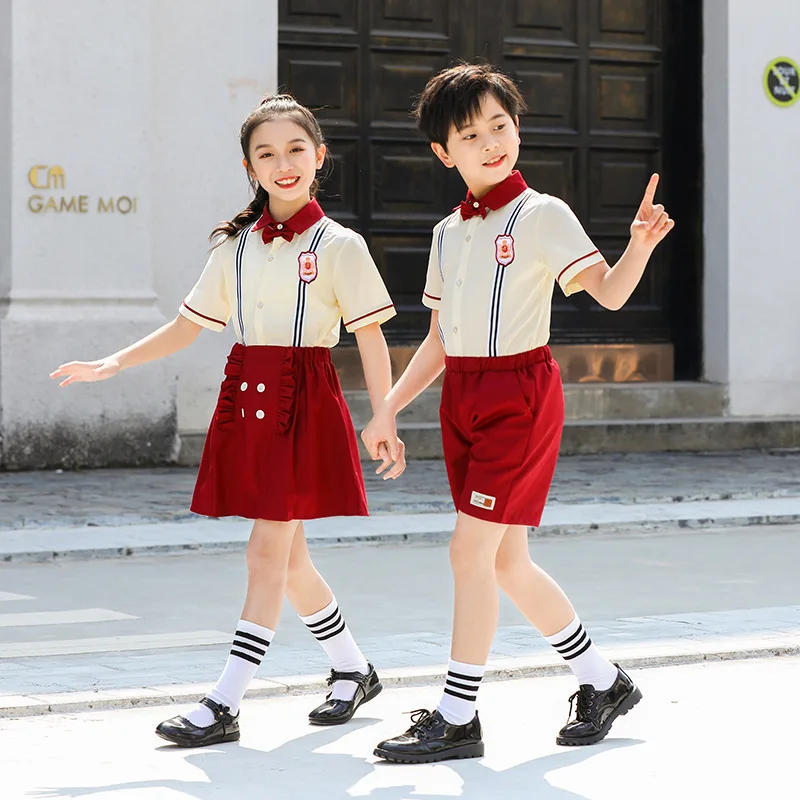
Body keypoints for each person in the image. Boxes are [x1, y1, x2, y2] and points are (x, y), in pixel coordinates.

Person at [50, 94, 405, 748]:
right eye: (266, 153)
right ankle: (354, 668)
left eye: (295, 149)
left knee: (267, 549)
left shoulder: (340, 246)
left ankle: (225, 700)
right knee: (289, 558)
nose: (283, 163)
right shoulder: (234, 248)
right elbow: (188, 326)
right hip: (248, 398)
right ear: (250, 166)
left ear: (319, 156)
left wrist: (384, 412)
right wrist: (112, 362)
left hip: (304, 400)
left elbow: (372, 337)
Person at [362, 63, 674, 764]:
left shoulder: (543, 215)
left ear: (517, 126)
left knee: (467, 550)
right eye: (470, 134)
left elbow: (611, 295)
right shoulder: (447, 234)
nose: (491, 142)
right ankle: (603, 680)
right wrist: (387, 409)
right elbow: (441, 339)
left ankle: (458, 714)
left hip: (519, 397)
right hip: (463, 397)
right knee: (506, 562)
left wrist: (640, 249)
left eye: (499, 125)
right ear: (445, 153)